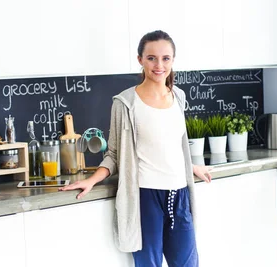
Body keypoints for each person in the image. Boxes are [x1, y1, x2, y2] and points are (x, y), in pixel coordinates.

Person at [59, 30, 213, 267]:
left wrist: (190, 166)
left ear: (173, 60)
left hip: (179, 194)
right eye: (151, 58)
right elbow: (113, 155)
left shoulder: (179, 98)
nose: (159, 65)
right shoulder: (125, 103)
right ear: (140, 59)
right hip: (145, 197)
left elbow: (168, 145)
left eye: (165, 58)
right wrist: (91, 180)